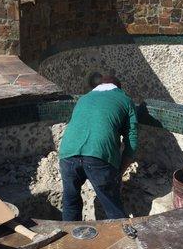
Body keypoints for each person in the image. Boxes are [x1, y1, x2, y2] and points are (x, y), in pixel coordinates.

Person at [59, 74, 138, 221]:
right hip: (99, 155)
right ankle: (121, 241)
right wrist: (119, 172)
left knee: (70, 203)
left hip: (67, 154)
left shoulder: (83, 99)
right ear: (118, 88)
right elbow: (131, 142)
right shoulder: (125, 100)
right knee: (113, 208)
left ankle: (69, 241)